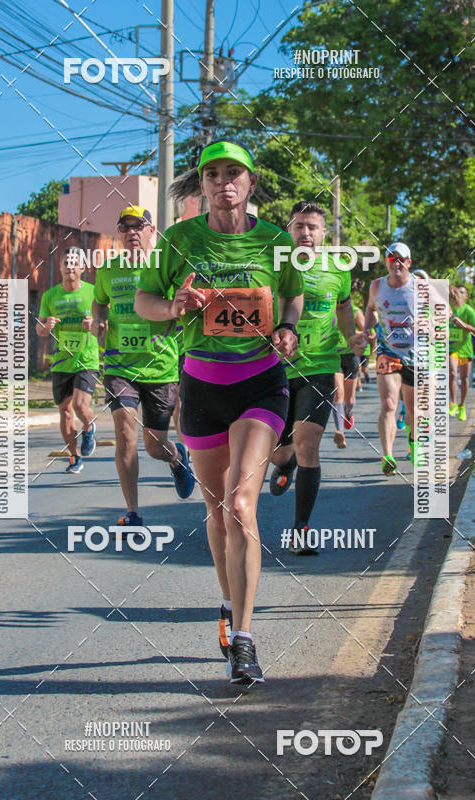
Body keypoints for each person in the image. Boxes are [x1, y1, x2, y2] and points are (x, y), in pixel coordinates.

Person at [135, 140, 303, 683]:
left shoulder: (277, 241)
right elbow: (146, 303)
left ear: (251, 183)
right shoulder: (180, 240)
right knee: (215, 511)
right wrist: (174, 306)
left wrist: (287, 328)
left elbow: (293, 295)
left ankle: (247, 640)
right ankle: (230, 607)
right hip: (201, 387)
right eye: (213, 174)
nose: (224, 181)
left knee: (241, 504)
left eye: (235, 173)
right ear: (202, 184)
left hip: (260, 385)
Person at [268, 201, 365, 555]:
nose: (305, 233)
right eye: (299, 227)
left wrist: (351, 339)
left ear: (324, 233)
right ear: (289, 230)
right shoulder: (274, 264)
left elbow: (343, 307)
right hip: (274, 368)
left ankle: (301, 530)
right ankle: (286, 462)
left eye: (312, 227)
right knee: (279, 453)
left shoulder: (338, 268)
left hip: (320, 368)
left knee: (309, 443)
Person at [91, 205, 195, 527]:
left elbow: (182, 300)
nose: (132, 232)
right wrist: (98, 321)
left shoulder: (164, 268)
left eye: (140, 226)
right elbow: (99, 301)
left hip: (161, 366)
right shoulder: (108, 270)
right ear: (120, 233)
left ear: (152, 231)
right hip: (120, 365)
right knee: (125, 432)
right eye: (125, 227)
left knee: (154, 446)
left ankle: (176, 458)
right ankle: (133, 511)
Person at [363, 242, 426, 475]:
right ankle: (387, 455)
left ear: (409, 263)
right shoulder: (377, 286)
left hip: (416, 355)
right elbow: (371, 309)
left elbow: (445, 311)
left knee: (413, 410)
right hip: (387, 352)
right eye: (392, 259)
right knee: (389, 403)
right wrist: (367, 329)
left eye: (401, 259)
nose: (396, 263)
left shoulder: (421, 287)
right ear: (386, 262)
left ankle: (413, 440)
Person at [37, 247, 99, 474]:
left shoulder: (93, 293)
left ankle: (89, 426)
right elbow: (40, 330)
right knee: (64, 410)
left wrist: (92, 325)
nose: (70, 266)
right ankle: (75, 457)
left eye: (75, 263)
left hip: (86, 359)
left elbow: (106, 326)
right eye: (66, 262)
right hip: (62, 360)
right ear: (61, 266)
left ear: (83, 268)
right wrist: (46, 327)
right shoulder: (50, 296)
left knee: (80, 406)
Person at [332, 304, 366, 446]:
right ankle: (339, 432)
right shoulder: (327, 309)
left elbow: (366, 332)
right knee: (338, 394)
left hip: (351, 356)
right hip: (334, 355)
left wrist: (354, 335)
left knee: (350, 400)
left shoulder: (355, 311)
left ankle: (348, 412)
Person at [448, 285, 475, 421]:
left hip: (465, 349)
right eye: (457, 291)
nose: (459, 294)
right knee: (452, 372)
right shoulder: (448, 309)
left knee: (465, 378)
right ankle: (453, 403)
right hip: (452, 347)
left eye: (462, 292)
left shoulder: (469, 311)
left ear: (466, 296)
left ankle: (462, 405)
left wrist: (464, 325)